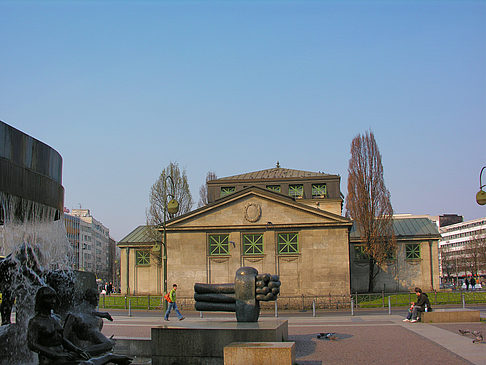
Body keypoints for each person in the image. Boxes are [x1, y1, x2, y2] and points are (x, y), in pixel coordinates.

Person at [27, 286, 131, 365]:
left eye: (54, 298)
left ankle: (109, 357)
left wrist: (77, 350)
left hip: (63, 355)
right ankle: (109, 357)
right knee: (86, 363)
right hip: (50, 360)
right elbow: (32, 344)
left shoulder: (54, 319)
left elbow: (62, 339)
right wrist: (56, 354)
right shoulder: (35, 321)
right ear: (41, 300)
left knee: (86, 358)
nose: (53, 301)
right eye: (49, 298)